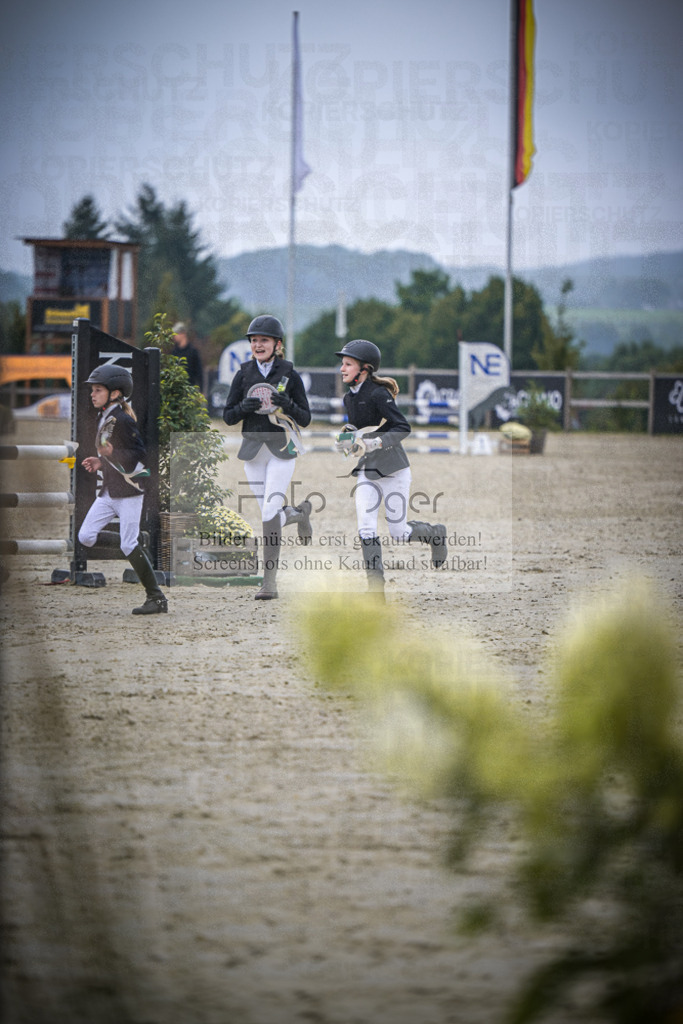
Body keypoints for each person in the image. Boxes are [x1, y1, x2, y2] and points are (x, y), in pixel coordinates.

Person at [334, 339, 447, 598]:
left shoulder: (378, 393)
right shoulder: (349, 397)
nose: (342, 369)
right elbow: (357, 426)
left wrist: (374, 442)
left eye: (348, 364)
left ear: (365, 369)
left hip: (393, 469)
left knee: (399, 532)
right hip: (367, 471)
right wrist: (346, 440)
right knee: (365, 526)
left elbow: (402, 426)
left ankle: (435, 533)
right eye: (342, 363)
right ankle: (376, 593)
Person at [222, 314, 313, 600]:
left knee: (268, 512)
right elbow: (227, 416)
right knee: (270, 514)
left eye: (264, 340)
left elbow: (306, 418)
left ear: (277, 344)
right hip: (253, 452)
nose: (258, 345)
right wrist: (243, 408)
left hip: (280, 451)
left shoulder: (289, 375)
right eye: (254, 340)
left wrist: (289, 405)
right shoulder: (243, 373)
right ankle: (298, 514)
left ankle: (269, 583)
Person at [78, 364, 168, 615]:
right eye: (92, 390)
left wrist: (112, 453)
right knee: (85, 536)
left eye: (97, 390)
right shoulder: (105, 416)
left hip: (129, 491)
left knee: (128, 543)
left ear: (115, 393)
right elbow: (111, 455)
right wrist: (100, 461)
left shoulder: (124, 419)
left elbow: (140, 454)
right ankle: (133, 547)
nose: (92, 395)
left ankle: (157, 598)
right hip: (109, 490)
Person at [172, 322, 203, 391]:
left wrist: (201, 390)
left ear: (183, 334)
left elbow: (199, 371)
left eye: (176, 333)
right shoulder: (174, 352)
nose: (174, 336)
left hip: (190, 389)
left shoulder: (193, 351)